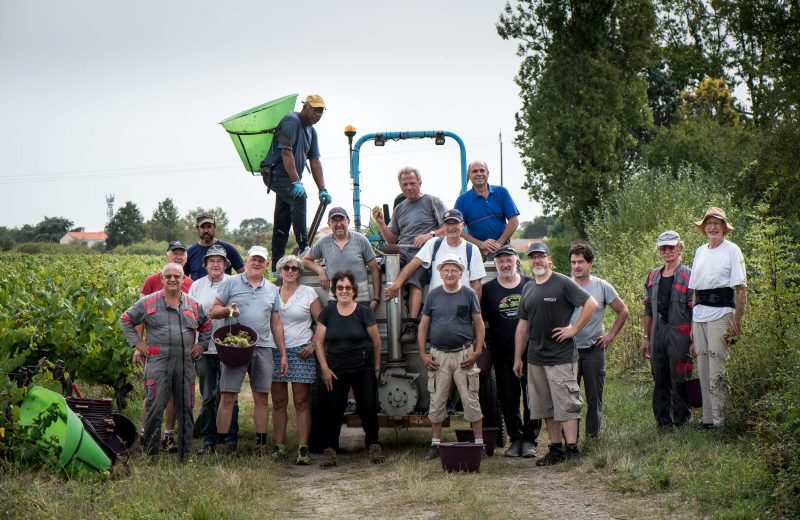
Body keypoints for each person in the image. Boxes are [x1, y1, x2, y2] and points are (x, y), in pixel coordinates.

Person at [513, 241, 597, 466]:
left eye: (541, 256)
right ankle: (555, 449)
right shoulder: (528, 287)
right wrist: (518, 357)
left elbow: (591, 304)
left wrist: (574, 329)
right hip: (535, 358)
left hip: (560, 357)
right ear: (529, 261)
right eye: (533, 257)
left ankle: (572, 449)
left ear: (549, 259)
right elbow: (522, 326)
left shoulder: (562, 283)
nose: (537, 260)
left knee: (566, 404)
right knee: (546, 406)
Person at [120, 262, 211, 459]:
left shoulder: (193, 304)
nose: (172, 279)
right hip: (158, 363)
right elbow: (126, 319)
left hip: (185, 363)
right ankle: (151, 453)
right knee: (154, 406)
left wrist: (202, 345)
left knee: (186, 408)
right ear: (161, 279)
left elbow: (207, 324)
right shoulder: (148, 302)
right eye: (168, 276)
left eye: (176, 276)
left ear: (183, 280)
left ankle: (185, 453)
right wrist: (137, 343)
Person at [210, 246, 289, 456]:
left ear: (266, 264)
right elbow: (213, 311)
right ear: (247, 261)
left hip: (262, 347)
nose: (257, 263)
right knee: (228, 396)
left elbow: (277, 324)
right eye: (253, 259)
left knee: (262, 397)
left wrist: (282, 354)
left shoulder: (272, 289)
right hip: (235, 346)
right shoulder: (231, 283)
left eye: (261, 261)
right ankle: (222, 444)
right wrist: (228, 310)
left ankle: (261, 444)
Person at [418, 253, 486, 460]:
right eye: (445, 270)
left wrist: (477, 351)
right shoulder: (433, 294)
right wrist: (423, 354)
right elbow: (422, 326)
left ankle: (479, 445)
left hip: (464, 354)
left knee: (471, 400)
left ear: (460, 273)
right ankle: (435, 444)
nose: (449, 273)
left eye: (453, 270)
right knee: (437, 400)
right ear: (440, 273)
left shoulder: (469, 294)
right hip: (439, 356)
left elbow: (479, 323)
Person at [314, 270, 385, 468]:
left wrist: (376, 367)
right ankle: (330, 449)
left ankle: (373, 444)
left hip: (362, 367)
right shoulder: (327, 312)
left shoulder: (364, 312)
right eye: (340, 288)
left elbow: (376, 341)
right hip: (335, 368)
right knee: (333, 409)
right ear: (335, 291)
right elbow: (319, 342)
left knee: (368, 407)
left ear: (354, 291)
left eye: (348, 288)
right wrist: (325, 368)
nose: (344, 291)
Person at [372, 166, 447, 343]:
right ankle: (399, 311)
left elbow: (450, 227)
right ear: (400, 187)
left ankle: (412, 323)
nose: (409, 188)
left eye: (412, 183)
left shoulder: (432, 201)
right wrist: (381, 223)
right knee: (387, 267)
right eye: (404, 185)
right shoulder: (399, 209)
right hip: (403, 249)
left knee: (414, 279)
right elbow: (392, 240)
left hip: (426, 252)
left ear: (420, 183)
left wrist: (431, 235)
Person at [688, 207, 747, 427]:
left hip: (722, 313)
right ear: (704, 228)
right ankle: (707, 419)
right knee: (702, 366)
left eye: (717, 223)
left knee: (717, 367)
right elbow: (695, 290)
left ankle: (720, 421)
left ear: (724, 227)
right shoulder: (700, 251)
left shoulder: (732, 250)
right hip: (700, 314)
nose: (712, 227)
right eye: (709, 223)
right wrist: (693, 325)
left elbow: (741, 289)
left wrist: (737, 322)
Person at [480, 245, 541, 457]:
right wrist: (484, 341)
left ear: (517, 261)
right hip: (503, 352)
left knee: (532, 396)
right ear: (495, 265)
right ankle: (516, 440)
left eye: (508, 260)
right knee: (508, 398)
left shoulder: (530, 285)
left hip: (531, 352)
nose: (505, 264)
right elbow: (483, 322)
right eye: (500, 261)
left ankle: (530, 440)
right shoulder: (487, 291)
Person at [260, 94, 332, 272]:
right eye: (314, 110)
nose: (317, 114)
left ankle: (276, 264)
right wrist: (296, 182)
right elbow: (286, 153)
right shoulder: (292, 121)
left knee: (282, 220)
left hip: (289, 178)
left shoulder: (311, 131)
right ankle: (304, 247)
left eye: (320, 112)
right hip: (276, 173)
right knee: (299, 198)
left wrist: (322, 189)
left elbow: (314, 161)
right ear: (305, 107)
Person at [137, 240, 194, 451]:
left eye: (182, 254)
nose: (178, 257)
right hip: (157, 349)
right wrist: (139, 345)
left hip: (181, 351)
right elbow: (139, 316)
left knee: (174, 393)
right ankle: (146, 432)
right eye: (174, 253)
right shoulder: (152, 281)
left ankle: (169, 434)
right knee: (153, 392)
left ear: (186, 259)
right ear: (166, 256)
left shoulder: (189, 283)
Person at [569, 243, 629, 438]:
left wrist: (610, 335)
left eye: (581, 262)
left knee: (594, 397)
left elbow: (623, 311)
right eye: (573, 262)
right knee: (570, 398)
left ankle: (592, 438)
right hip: (568, 351)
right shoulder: (565, 286)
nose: (577, 266)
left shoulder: (601, 286)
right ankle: (570, 441)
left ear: (590, 264)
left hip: (594, 349)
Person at [270, 255, 322, 465]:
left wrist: (313, 345)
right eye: (286, 268)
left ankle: (303, 448)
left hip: (301, 350)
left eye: (294, 268)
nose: (290, 271)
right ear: (280, 271)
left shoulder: (308, 293)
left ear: (300, 272)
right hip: (275, 350)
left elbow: (321, 323)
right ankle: (280, 446)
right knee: (279, 402)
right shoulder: (271, 293)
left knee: (301, 402)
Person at [188, 245, 239, 454]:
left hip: (229, 346)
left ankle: (229, 439)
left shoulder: (234, 283)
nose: (216, 265)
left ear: (226, 265)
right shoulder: (196, 286)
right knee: (208, 396)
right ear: (205, 265)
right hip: (204, 348)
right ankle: (208, 440)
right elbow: (190, 316)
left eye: (220, 261)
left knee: (228, 395)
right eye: (212, 261)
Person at [641, 231, 695, 428]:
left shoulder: (689, 274)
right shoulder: (653, 275)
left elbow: (694, 309)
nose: (667, 251)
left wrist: (695, 338)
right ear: (659, 250)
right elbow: (648, 308)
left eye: (671, 247)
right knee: (660, 375)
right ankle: (663, 422)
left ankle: (682, 421)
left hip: (681, 331)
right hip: (658, 332)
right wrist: (646, 337)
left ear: (679, 248)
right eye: (663, 248)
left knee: (681, 375)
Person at [385, 208, 486, 303]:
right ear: (443, 226)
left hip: (462, 307)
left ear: (462, 225)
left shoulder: (472, 249)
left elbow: (476, 284)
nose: (451, 227)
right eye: (447, 224)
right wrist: (397, 285)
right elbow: (414, 263)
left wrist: (475, 313)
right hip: (437, 307)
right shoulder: (433, 243)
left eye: (455, 223)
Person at [303, 206, 381, 311]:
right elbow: (305, 260)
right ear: (329, 224)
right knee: (337, 327)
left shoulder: (361, 239)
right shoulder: (323, 242)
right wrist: (320, 271)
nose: (338, 224)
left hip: (360, 298)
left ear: (348, 221)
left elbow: (375, 269)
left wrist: (376, 298)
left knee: (361, 328)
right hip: (335, 298)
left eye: (342, 220)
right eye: (334, 221)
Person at [454, 160, 520, 258]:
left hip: (504, 250)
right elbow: (456, 228)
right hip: (477, 253)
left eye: (482, 170)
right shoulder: (462, 200)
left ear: (487, 173)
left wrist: (499, 244)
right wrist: (480, 244)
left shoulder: (501, 192)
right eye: (475, 171)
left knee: (515, 273)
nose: (479, 174)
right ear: (469, 176)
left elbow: (514, 221)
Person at [185, 212, 245, 281]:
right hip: (198, 291)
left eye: (209, 226)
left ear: (214, 227)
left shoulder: (229, 249)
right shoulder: (189, 253)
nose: (206, 230)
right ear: (197, 229)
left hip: (224, 291)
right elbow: (182, 279)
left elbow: (243, 275)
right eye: (202, 227)